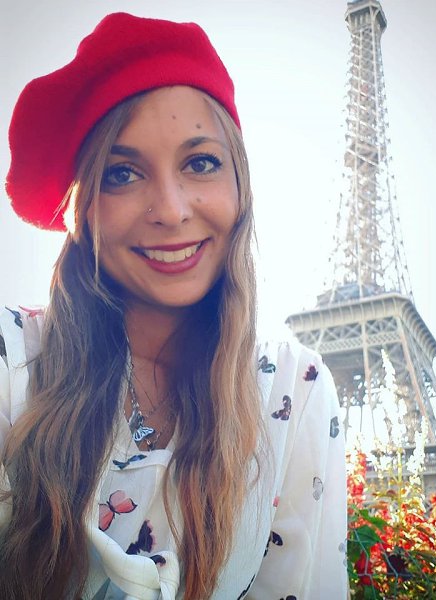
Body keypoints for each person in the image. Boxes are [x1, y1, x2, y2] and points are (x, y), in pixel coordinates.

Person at [0, 12, 347, 600]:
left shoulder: (296, 388)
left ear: (240, 185)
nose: (170, 209)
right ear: (84, 211)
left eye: (200, 162)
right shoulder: (12, 362)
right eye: (122, 173)